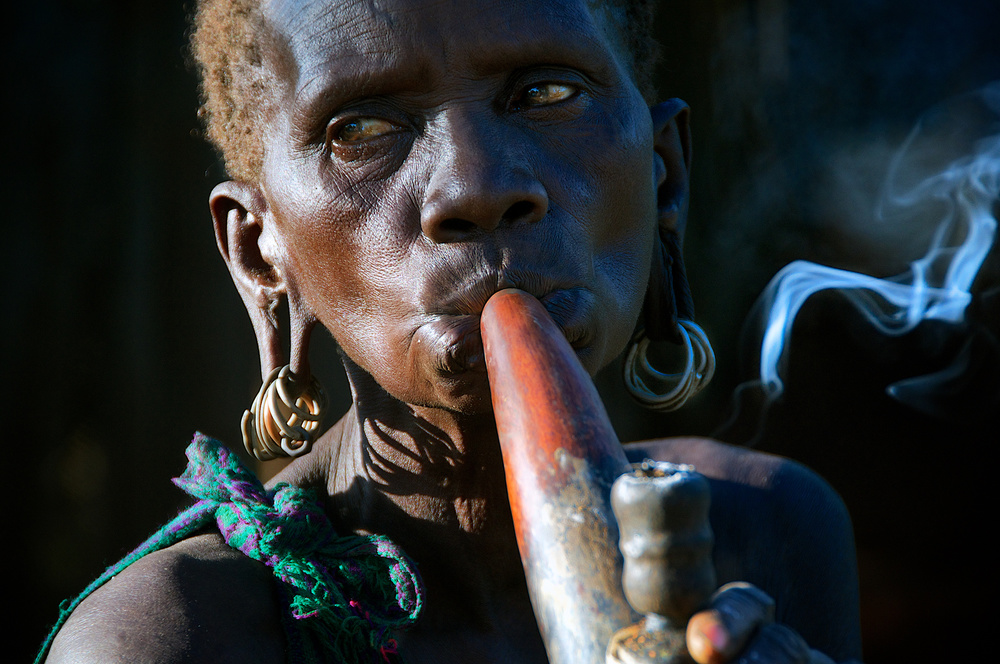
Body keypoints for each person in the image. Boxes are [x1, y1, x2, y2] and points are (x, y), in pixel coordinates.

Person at [38, 0, 863, 662]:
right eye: (361, 130)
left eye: (547, 93)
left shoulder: (764, 535)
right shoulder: (171, 640)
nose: (475, 188)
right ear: (261, 253)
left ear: (665, 175)